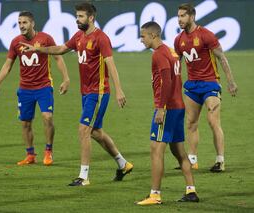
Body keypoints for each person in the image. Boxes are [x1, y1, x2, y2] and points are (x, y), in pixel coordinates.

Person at [21, 2, 133, 186]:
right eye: (77, 16)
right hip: (85, 92)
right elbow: (61, 49)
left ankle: (84, 176)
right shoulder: (79, 36)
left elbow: (111, 64)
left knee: (83, 130)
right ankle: (123, 164)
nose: (77, 19)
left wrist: (118, 90)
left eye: (81, 16)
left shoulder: (101, 38)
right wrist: (38, 49)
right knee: (96, 132)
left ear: (91, 18)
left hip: (97, 92)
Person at [0, 11, 70, 166]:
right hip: (25, 89)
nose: (21, 26)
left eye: (25, 22)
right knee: (25, 123)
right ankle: (30, 155)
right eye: (19, 23)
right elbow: (7, 65)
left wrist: (66, 78)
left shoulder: (45, 39)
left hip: (44, 87)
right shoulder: (15, 43)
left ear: (32, 24)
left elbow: (58, 58)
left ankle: (48, 151)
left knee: (47, 117)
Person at [136, 21, 199, 205]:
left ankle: (155, 195)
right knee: (178, 150)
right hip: (178, 106)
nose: (141, 40)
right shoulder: (171, 52)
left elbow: (167, 82)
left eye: (143, 36)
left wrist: (161, 108)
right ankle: (191, 190)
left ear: (153, 35)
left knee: (156, 150)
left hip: (168, 108)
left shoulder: (159, 54)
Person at [174, 3, 238, 172]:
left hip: (210, 84)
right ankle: (192, 160)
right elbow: (177, 65)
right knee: (191, 123)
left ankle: (220, 161)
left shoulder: (206, 35)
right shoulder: (178, 40)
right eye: (178, 16)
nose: (179, 19)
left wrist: (230, 81)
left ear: (192, 17)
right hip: (192, 86)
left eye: (182, 16)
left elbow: (222, 57)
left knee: (213, 121)